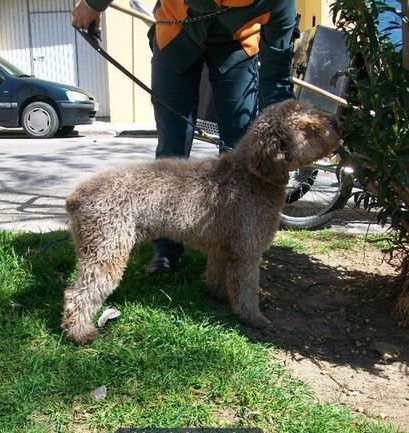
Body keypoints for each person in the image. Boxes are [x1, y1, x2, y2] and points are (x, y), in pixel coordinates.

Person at [72, 0, 296, 273]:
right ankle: (166, 248)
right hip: (176, 34)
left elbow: (276, 77)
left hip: (237, 45)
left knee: (239, 150)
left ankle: (234, 244)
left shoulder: (280, 3)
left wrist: (286, 138)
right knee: (172, 147)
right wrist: (94, 4)